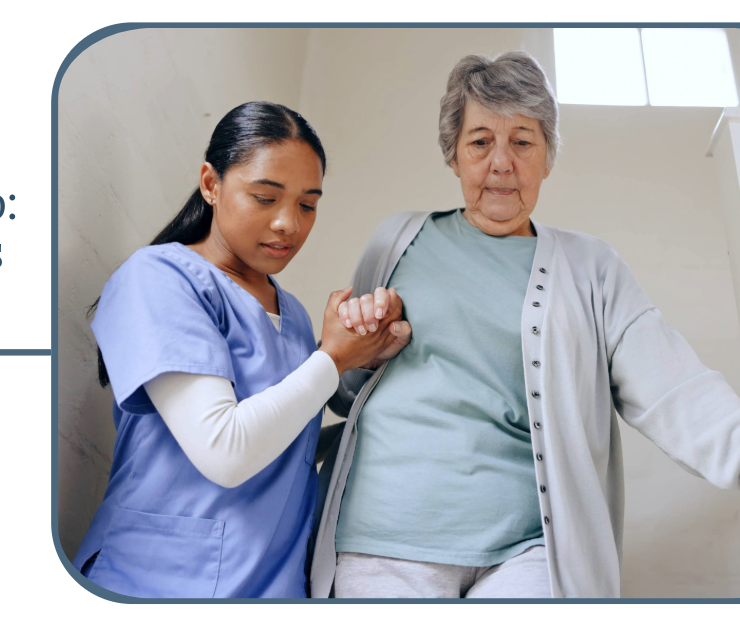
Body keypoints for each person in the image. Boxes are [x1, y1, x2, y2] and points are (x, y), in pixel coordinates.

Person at [311, 50, 740, 599]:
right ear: (454, 154)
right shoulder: (396, 240)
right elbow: (347, 392)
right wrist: (361, 347)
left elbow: (675, 387)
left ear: (547, 156)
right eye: (480, 140)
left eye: (523, 140)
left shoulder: (592, 269)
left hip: (531, 548)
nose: (501, 162)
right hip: (384, 537)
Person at [73, 101, 413, 598]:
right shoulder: (159, 278)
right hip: (157, 585)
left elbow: (283, 446)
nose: (288, 224)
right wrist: (334, 358)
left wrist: (375, 355)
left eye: (307, 204)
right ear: (211, 184)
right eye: (264, 197)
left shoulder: (292, 314)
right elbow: (225, 450)